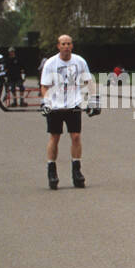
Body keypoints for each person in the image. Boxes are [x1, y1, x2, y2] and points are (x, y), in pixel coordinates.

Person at [40, 34, 95, 189]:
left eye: (69, 43)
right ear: (58, 46)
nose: (66, 46)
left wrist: (92, 100)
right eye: (63, 44)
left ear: (72, 46)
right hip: (55, 106)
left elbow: (87, 81)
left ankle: (76, 172)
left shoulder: (79, 61)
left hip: (74, 104)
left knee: (76, 136)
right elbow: (44, 86)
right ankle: (52, 171)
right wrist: (46, 102)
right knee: (55, 137)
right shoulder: (51, 63)